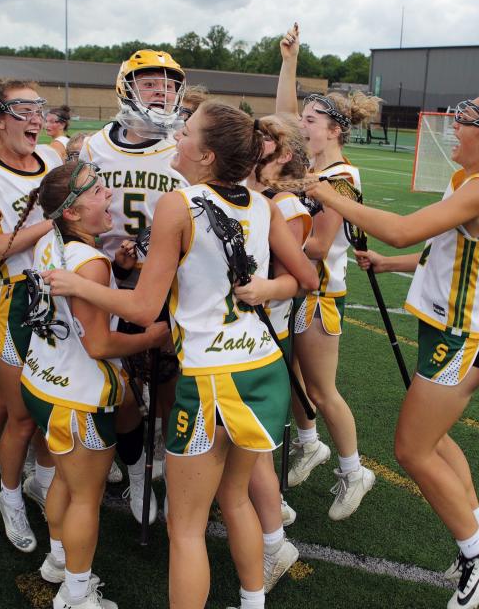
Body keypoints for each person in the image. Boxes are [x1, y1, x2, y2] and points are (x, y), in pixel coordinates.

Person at [45, 101, 318, 609]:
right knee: (236, 498)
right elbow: (306, 280)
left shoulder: (179, 203)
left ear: (207, 155)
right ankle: (253, 602)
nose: (177, 137)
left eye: (187, 132)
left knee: (186, 528)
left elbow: (145, 306)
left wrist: (75, 284)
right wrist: (266, 287)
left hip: (213, 377)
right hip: (262, 367)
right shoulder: (263, 205)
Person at [306, 87, 479, 609]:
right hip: (447, 331)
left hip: (462, 339)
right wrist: (390, 264)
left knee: (412, 449)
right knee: (439, 442)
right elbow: (448, 252)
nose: (453, 128)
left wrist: (328, 193)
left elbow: (404, 231)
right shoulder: (476, 181)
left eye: (464, 121)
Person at [20, 162, 169, 609]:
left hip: (43, 379)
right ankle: (78, 595)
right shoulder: (88, 264)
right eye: (98, 190)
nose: (110, 197)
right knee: (85, 497)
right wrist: (153, 335)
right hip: (78, 395)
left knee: (65, 483)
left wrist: (118, 273)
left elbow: (80, 319)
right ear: (71, 211)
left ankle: (58, 559)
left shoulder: (50, 240)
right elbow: (100, 344)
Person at [274, 23, 381, 520]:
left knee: (321, 389)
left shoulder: (339, 179)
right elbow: (282, 116)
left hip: (321, 297)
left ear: (335, 129)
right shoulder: (311, 171)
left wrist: (271, 242)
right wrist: (289, 61)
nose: (303, 124)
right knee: (296, 378)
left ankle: (353, 469)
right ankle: (310, 444)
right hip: (300, 291)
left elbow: (316, 244)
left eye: (312, 119)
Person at [79, 49, 189, 524]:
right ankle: (133, 465)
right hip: (104, 278)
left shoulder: (183, 146)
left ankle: (157, 449)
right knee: (114, 381)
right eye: (150, 82)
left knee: (167, 379)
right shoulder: (94, 147)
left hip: (167, 283)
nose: (162, 89)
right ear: (126, 88)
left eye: (168, 82)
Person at [0, 79, 62, 552]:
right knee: (18, 411)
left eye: (39, 108)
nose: (36, 118)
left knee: (49, 403)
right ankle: (7, 493)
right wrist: (53, 219)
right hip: (12, 297)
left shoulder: (54, 161)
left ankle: (40, 481)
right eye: (23, 109)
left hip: (58, 291)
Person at [241, 114, 313, 591]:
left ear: (281, 154)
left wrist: (264, 288)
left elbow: (298, 276)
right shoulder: (251, 195)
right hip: (245, 330)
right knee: (246, 448)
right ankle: (271, 519)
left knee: (254, 446)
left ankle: (273, 532)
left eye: (264, 138)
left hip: (265, 330)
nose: (256, 141)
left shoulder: (283, 204)